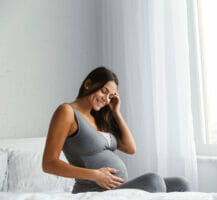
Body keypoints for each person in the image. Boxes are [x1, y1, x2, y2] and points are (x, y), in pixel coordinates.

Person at [42, 66, 191, 193]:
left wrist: (116, 112)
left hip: (116, 190)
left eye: (110, 96)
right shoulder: (67, 112)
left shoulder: (99, 118)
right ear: (88, 84)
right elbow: (49, 163)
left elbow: (130, 148)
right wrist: (95, 175)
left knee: (181, 184)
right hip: (94, 192)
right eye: (103, 91)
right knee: (153, 181)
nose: (106, 99)